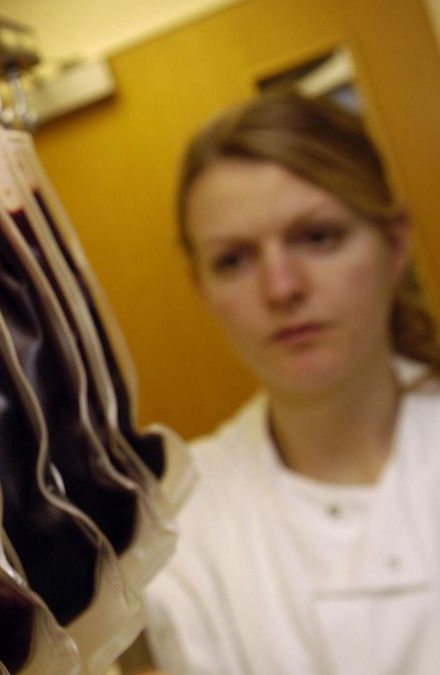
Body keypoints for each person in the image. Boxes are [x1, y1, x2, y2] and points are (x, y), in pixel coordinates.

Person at [144, 90, 440, 674]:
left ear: (395, 243)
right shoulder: (183, 518)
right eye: (234, 259)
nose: (281, 288)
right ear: (202, 287)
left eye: (318, 237)